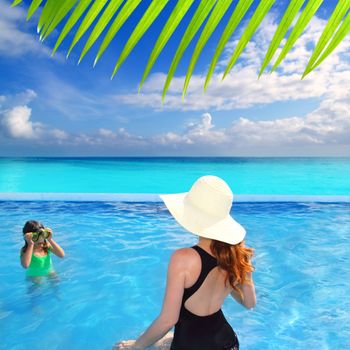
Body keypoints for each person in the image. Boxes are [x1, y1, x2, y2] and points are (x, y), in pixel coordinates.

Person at [115, 175, 256, 350]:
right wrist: (230, 278)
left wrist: (135, 346)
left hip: (190, 345)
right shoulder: (237, 256)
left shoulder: (183, 258)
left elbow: (168, 319)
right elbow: (249, 303)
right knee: (164, 341)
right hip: (228, 343)